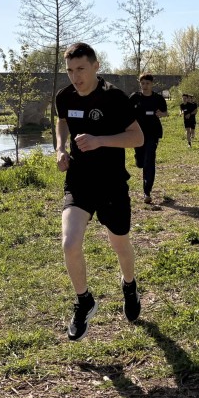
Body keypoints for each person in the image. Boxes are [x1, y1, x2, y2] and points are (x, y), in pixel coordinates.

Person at [55, 43, 144, 342]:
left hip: (112, 183)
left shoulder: (114, 97)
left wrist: (100, 140)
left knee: (120, 244)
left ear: (96, 66)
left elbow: (137, 138)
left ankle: (129, 285)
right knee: (69, 243)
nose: (75, 77)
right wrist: (60, 148)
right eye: (70, 71)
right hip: (79, 180)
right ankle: (84, 301)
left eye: (81, 69)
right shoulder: (64, 96)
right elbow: (62, 122)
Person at [129, 74, 168, 203]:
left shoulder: (158, 98)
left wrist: (161, 114)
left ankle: (147, 192)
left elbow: (165, 112)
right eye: (143, 83)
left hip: (153, 133)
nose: (145, 86)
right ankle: (138, 158)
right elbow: (126, 112)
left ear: (152, 84)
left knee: (149, 161)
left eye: (147, 83)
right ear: (140, 84)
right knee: (141, 162)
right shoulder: (135, 97)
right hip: (138, 133)